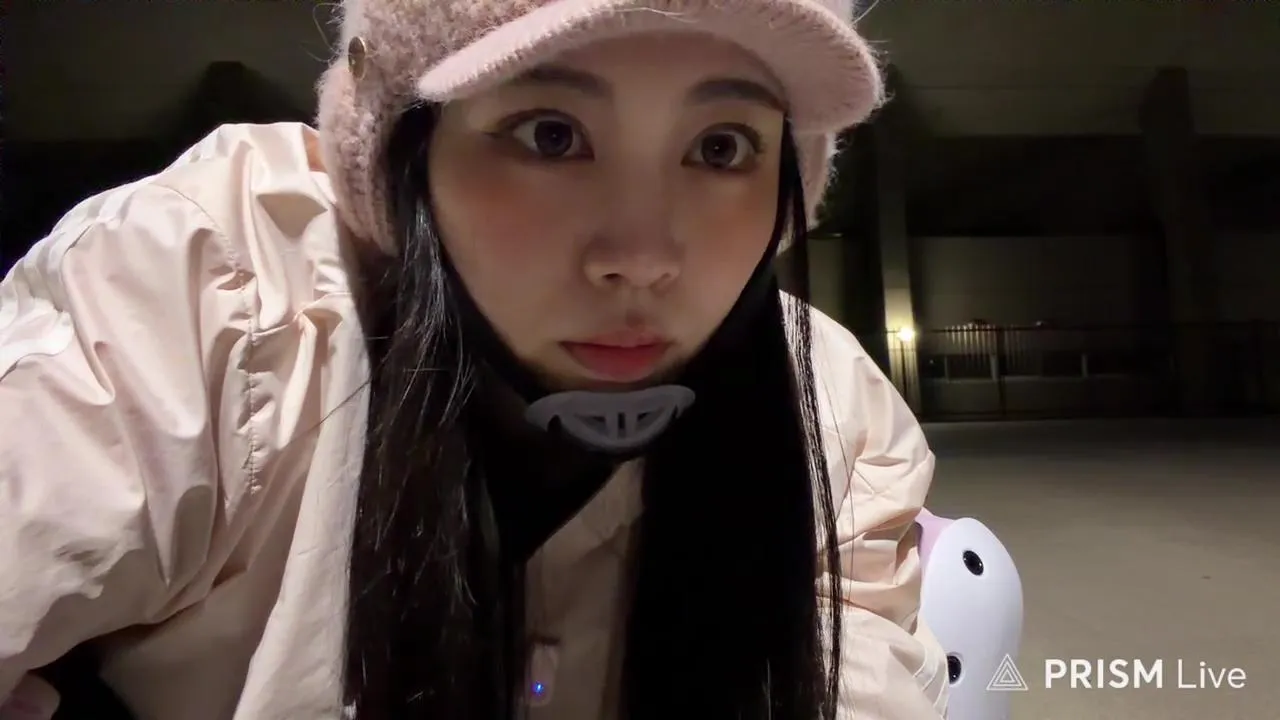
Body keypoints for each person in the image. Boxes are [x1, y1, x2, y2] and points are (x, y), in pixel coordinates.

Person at [0, 1, 949, 718]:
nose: (642, 256)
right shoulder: (204, 301)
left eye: (720, 146)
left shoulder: (834, 417)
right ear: (403, 153)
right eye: (551, 135)